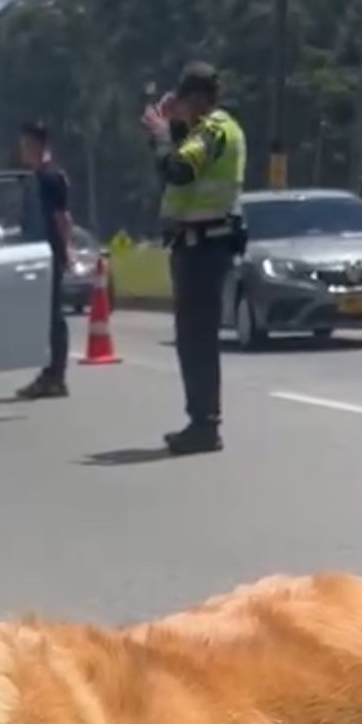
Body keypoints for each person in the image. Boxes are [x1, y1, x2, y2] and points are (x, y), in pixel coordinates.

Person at [141, 61, 246, 455]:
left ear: (197, 98)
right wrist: (168, 133)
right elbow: (178, 162)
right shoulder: (210, 130)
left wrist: (163, 134)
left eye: (183, 98)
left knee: (197, 340)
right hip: (195, 243)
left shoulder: (215, 129)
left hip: (204, 245)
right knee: (192, 339)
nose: (178, 104)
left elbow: (181, 170)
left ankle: (205, 425)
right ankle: (200, 420)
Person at [14, 120, 72, 401]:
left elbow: (63, 219)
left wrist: (65, 252)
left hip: (48, 254)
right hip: (37, 252)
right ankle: (48, 373)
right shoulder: (37, 176)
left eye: (25, 145)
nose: (22, 151)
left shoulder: (51, 177)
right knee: (44, 317)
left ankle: (55, 376)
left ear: (37, 146)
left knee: (53, 318)